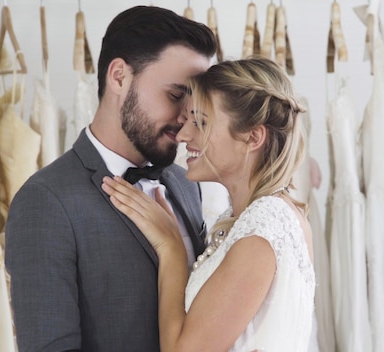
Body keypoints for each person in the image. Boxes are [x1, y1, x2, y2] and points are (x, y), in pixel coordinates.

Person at [4, 6, 217, 351]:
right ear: (119, 76)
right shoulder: (45, 202)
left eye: (195, 103)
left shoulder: (186, 183)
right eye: (176, 95)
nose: (186, 118)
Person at [102, 56, 316, 351]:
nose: (183, 135)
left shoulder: (264, 227)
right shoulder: (256, 217)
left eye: (201, 122)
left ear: (252, 137)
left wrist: (171, 249)